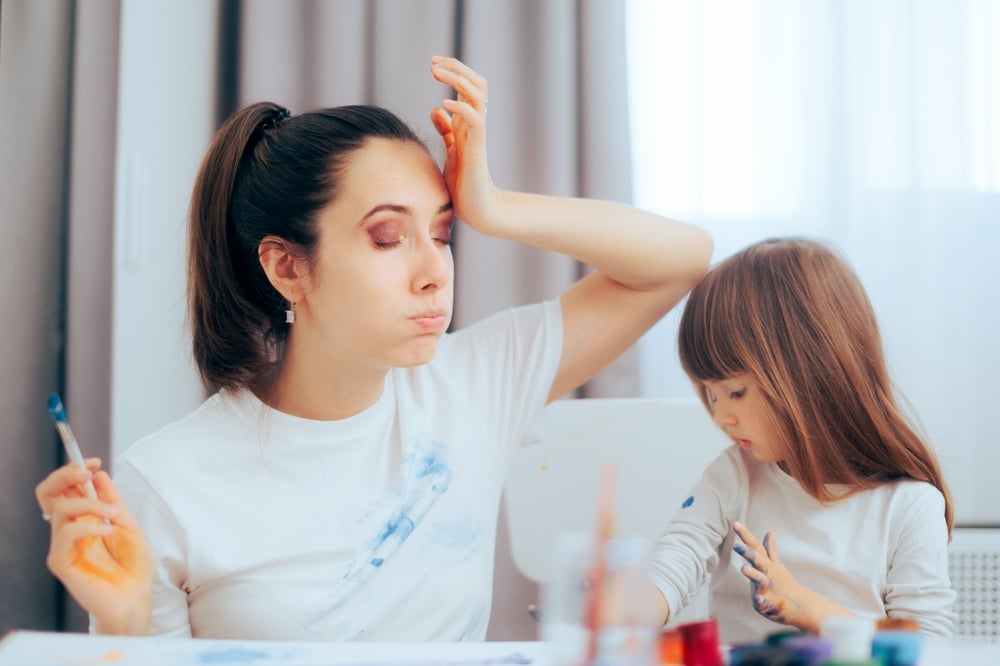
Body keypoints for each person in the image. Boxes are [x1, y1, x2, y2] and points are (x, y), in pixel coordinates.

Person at [34, 56, 712, 640]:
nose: (434, 270)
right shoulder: (169, 480)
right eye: (389, 238)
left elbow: (681, 260)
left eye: (443, 235)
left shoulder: (472, 386)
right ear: (288, 269)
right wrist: (123, 625)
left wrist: (496, 207)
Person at [633, 237, 955, 644]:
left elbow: (926, 646)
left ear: (811, 372)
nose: (720, 416)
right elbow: (679, 555)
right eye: (710, 394)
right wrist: (628, 608)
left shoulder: (909, 505)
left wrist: (807, 608)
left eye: (735, 393)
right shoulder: (734, 474)